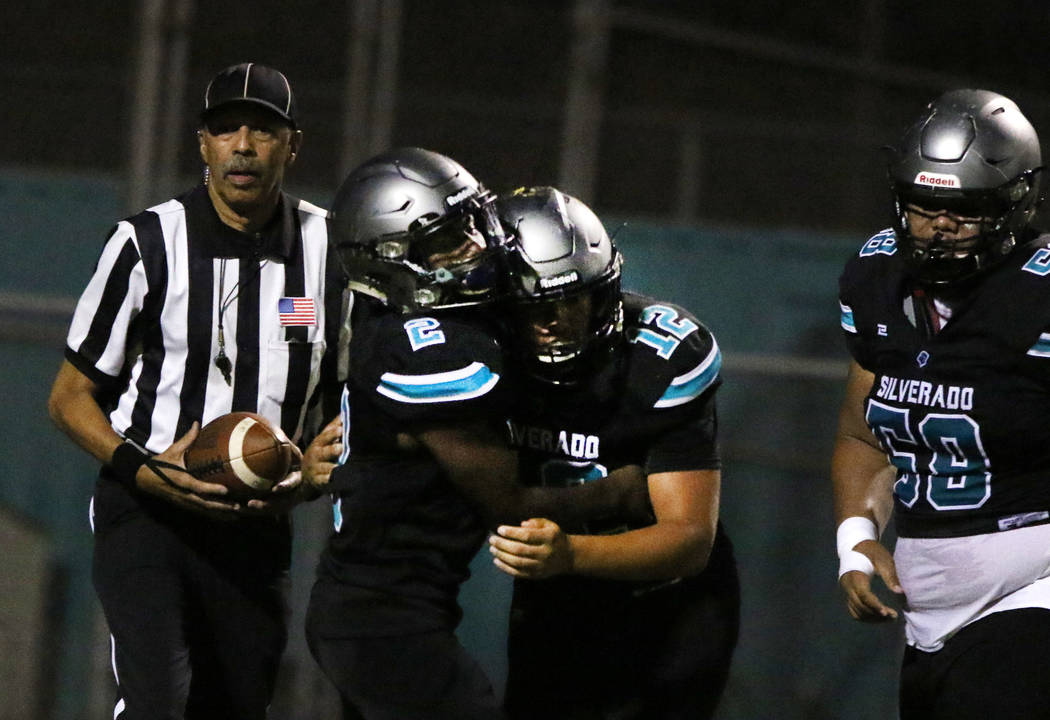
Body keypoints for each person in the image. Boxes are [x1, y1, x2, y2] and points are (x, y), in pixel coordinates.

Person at [304, 148, 652, 720]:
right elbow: (507, 504)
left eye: (471, 222)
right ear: (390, 260)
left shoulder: (411, 324)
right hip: (380, 619)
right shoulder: (433, 352)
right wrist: (617, 492)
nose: (475, 243)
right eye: (446, 239)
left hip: (385, 610)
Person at [47, 62, 344, 718]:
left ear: (292, 145)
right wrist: (146, 472)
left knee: (235, 706)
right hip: (147, 513)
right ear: (202, 143)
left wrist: (325, 465)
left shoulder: (331, 251)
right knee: (160, 701)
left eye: (263, 130)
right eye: (225, 128)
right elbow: (69, 397)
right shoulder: (146, 242)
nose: (243, 144)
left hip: (257, 523)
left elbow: (354, 400)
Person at [832, 88, 1050, 718]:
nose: (938, 226)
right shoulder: (876, 279)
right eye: (923, 206)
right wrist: (855, 538)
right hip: (926, 611)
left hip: (1030, 589)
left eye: (962, 210)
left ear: (1013, 204)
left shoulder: (1037, 297)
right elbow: (862, 437)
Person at [487, 186, 740, 719]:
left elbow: (690, 538)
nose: (556, 320)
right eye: (535, 305)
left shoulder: (660, 359)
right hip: (557, 592)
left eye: (572, 298)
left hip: (668, 597)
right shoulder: (478, 359)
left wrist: (571, 554)